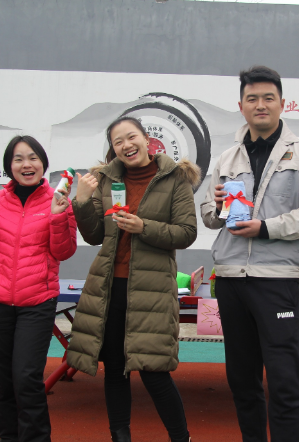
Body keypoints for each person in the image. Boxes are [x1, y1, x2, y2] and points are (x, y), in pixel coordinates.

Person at [201, 66, 299, 442]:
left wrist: (265, 227)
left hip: (276, 279)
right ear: (241, 105)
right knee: (242, 380)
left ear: (281, 103)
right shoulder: (228, 157)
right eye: (252, 98)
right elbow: (209, 216)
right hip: (230, 278)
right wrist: (218, 205)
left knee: (284, 380)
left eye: (268, 98)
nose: (260, 105)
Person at [66, 116, 199, 442]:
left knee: (154, 373)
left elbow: (186, 232)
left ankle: (181, 438)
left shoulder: (174, 178)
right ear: (113, 149)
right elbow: (94, 235)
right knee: (114, 370)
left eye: (131, 137)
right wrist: (81, 201)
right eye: (118, 141)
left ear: (146, 139)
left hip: (152, 290)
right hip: (110, 287)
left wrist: (144, 227)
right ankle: (120, 437)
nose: (126, 145)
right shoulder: (107, 180)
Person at [0, 135, 77, 442]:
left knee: (27, 379)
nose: (27, 164)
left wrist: (57, 216)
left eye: (33, 157)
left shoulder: (59, 200)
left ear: (43, 163)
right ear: (9, 166)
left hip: (37, 302)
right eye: (19, 159)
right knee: (3, 382)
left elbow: (64, 251)